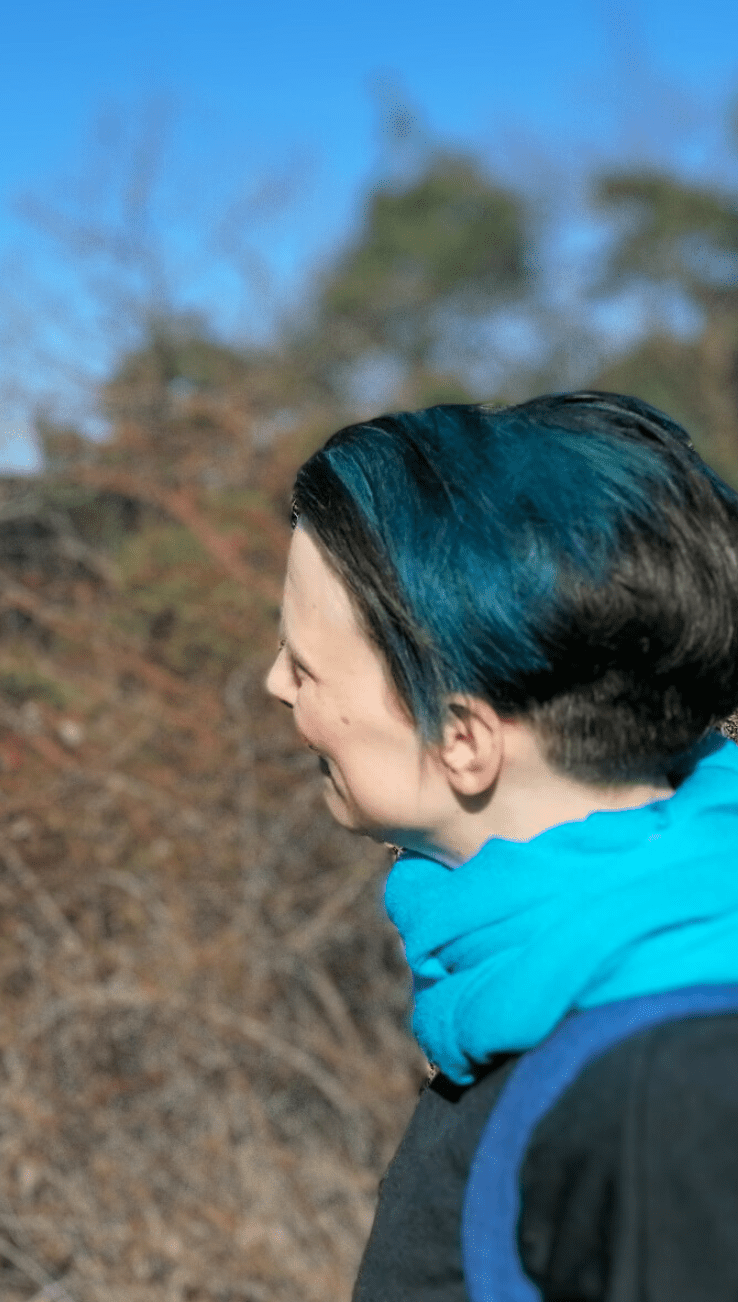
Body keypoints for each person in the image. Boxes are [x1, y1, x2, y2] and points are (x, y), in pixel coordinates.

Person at [265, 391, 738, 1301]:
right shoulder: (553, 967)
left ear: (464, 740)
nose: (275, 683)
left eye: (307, 664)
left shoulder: (673, 1096)